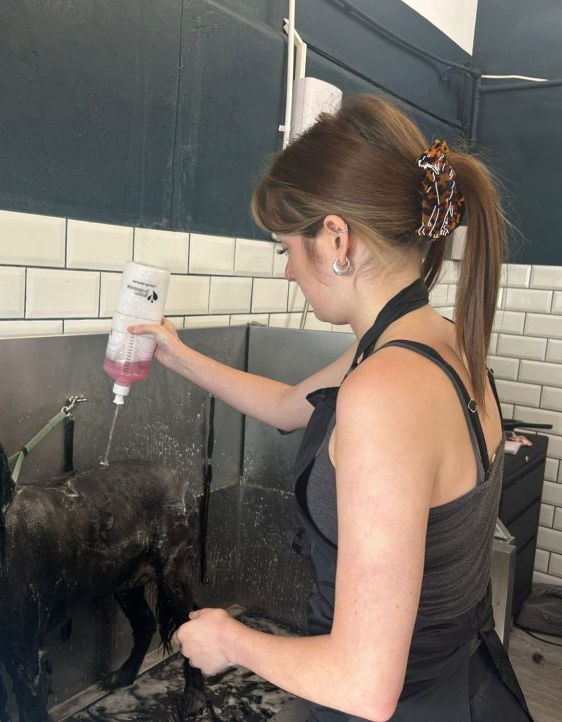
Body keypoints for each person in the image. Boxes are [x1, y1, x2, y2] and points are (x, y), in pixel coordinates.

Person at [130, 94, 532, 721]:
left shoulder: (385, 391)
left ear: (337, 238)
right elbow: (287, 406)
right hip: (465, 684)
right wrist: (178, 356)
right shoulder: (434, 341)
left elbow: (364, 685)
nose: (289, 272)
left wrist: (230, 641)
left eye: (286, 248)